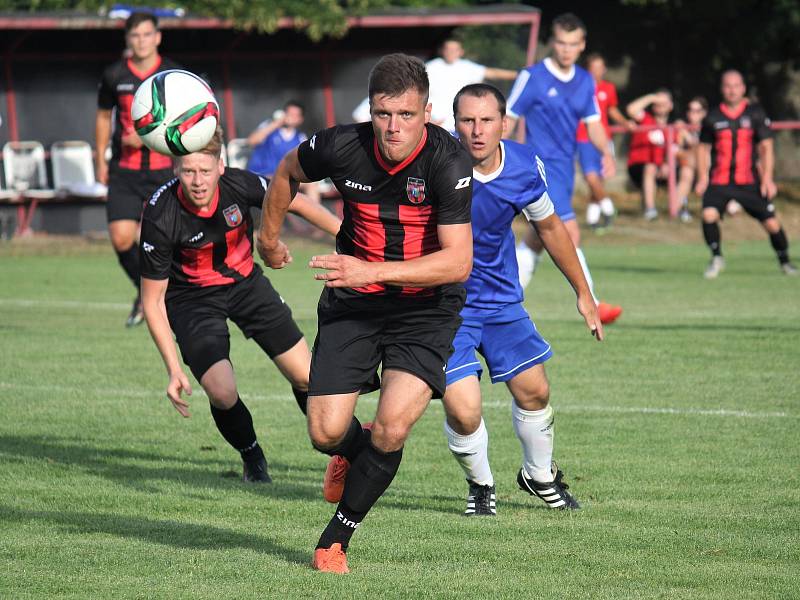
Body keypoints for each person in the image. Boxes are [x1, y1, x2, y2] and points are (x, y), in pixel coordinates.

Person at [257, 53, 473, 574]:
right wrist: (267, 238)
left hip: (424, 308)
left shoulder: (448, 161)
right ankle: (350, 454)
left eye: (405, 114)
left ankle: (336, 538)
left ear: (427, 112)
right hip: (353, 304)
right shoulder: (340, 145)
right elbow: (286, 171)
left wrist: (369, 270)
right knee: (325, 432)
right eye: (382, 114)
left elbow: (457, 262)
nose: (393, 127)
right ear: (370, 111)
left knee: (393, 427)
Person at [138, 126, 342, 483]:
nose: (197, 181)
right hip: (192, 300)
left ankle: (337, 454)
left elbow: (293, 200)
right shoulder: (161, 214)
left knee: (306, 376)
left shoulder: (238, 183)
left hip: (246, 284)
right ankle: (252, 456)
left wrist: (346, 236)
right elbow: (153, 302)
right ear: (176, 171)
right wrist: (173, 369)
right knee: (221, 390)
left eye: (205, 170)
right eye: (188, 171)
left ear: (220, 167)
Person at [444, 83, 602, 517]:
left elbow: (551, 229)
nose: (477, 131)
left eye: (487, 120)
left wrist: (583, 293)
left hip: (499, 301)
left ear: (504, 123)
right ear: (453, 122)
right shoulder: (434, 162)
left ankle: (539, 475)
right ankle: (480, 486)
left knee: (535, 390)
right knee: (464, 408)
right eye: (467, 120)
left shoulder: (524, 166)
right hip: (443, 305)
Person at [506, 12, 622, 325]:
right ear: (552, 43)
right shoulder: (532, 77)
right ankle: (592, 302)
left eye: (572, 44)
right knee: (567, 231)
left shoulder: (585, 82)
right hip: (537, 167)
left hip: (564, 170)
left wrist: (606, 152)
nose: (566, 49)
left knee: (537, 237)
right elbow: (507, 119)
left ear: (582, 45)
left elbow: (594, 125)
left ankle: (504, 301)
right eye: (560, 42)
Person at [96, 12, 180, 327]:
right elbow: (104, 116)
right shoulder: (114, 74)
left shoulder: (173, 73)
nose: (141, 41)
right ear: (128, 39)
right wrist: (99, 160)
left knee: (167, 241)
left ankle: (167, 299)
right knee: (121, 239)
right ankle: (145, 292)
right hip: (124, 170)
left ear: (157, 37)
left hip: (164, 171)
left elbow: (185, 119)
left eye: (147, 34)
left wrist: (147, 137)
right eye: (135, 36)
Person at [695, 70, 797, 278]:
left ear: (742, 88)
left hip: (748, 180)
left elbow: (766, 147)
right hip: (720, 180)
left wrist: (768, 178)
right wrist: (703, 177)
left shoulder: (755, 113)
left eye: (736, 86)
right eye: (727, 86)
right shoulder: (712, 117)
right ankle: (716, 257)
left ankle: (785, 261)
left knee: (771, 223)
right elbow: (703, 149)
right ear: (722, 89)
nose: (732, 90)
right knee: (708, 215)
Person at [350, 37, 517, 131]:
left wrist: (521, 75)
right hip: (435, 129)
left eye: (455, 49)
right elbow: (360, 114)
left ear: (461, 52)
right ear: (442, 50)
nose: (451, 53)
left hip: (459, 131)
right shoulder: (430, 68)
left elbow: (492, 72)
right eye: (448, 49)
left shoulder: (468, 68)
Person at [576, 53, 635, 230]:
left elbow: (612, 110)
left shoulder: (608, 88)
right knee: (591, 177)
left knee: (600, 181)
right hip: (584, 138)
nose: (597, 72)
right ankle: (608, 208)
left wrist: (625, 123)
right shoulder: (579, 88)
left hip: (603, 140)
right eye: (593, 68)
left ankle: (593, 220)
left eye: (600, 68)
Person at [625, 89, 673, 221]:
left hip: (662, 167)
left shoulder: (672, 127)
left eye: (664, 102)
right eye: (658, 102)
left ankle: (678, 209)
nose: (661, 104)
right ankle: (650, 210)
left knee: (684, 169)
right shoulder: (645, 119)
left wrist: (666, 164)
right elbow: (631, 109)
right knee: (650, 168)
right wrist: (652, 97)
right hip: (639, 166)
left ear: (671, 105)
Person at [674, 96, 708, 223]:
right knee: (686, 173)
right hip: (688, 165)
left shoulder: (709, 128)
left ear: (704, 113)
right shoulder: (682, 128)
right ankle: (676, 210)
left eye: (697, 111)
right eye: (690, 110)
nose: (693, 114)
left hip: (707, 167)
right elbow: (677, 151)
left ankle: (712, 208)